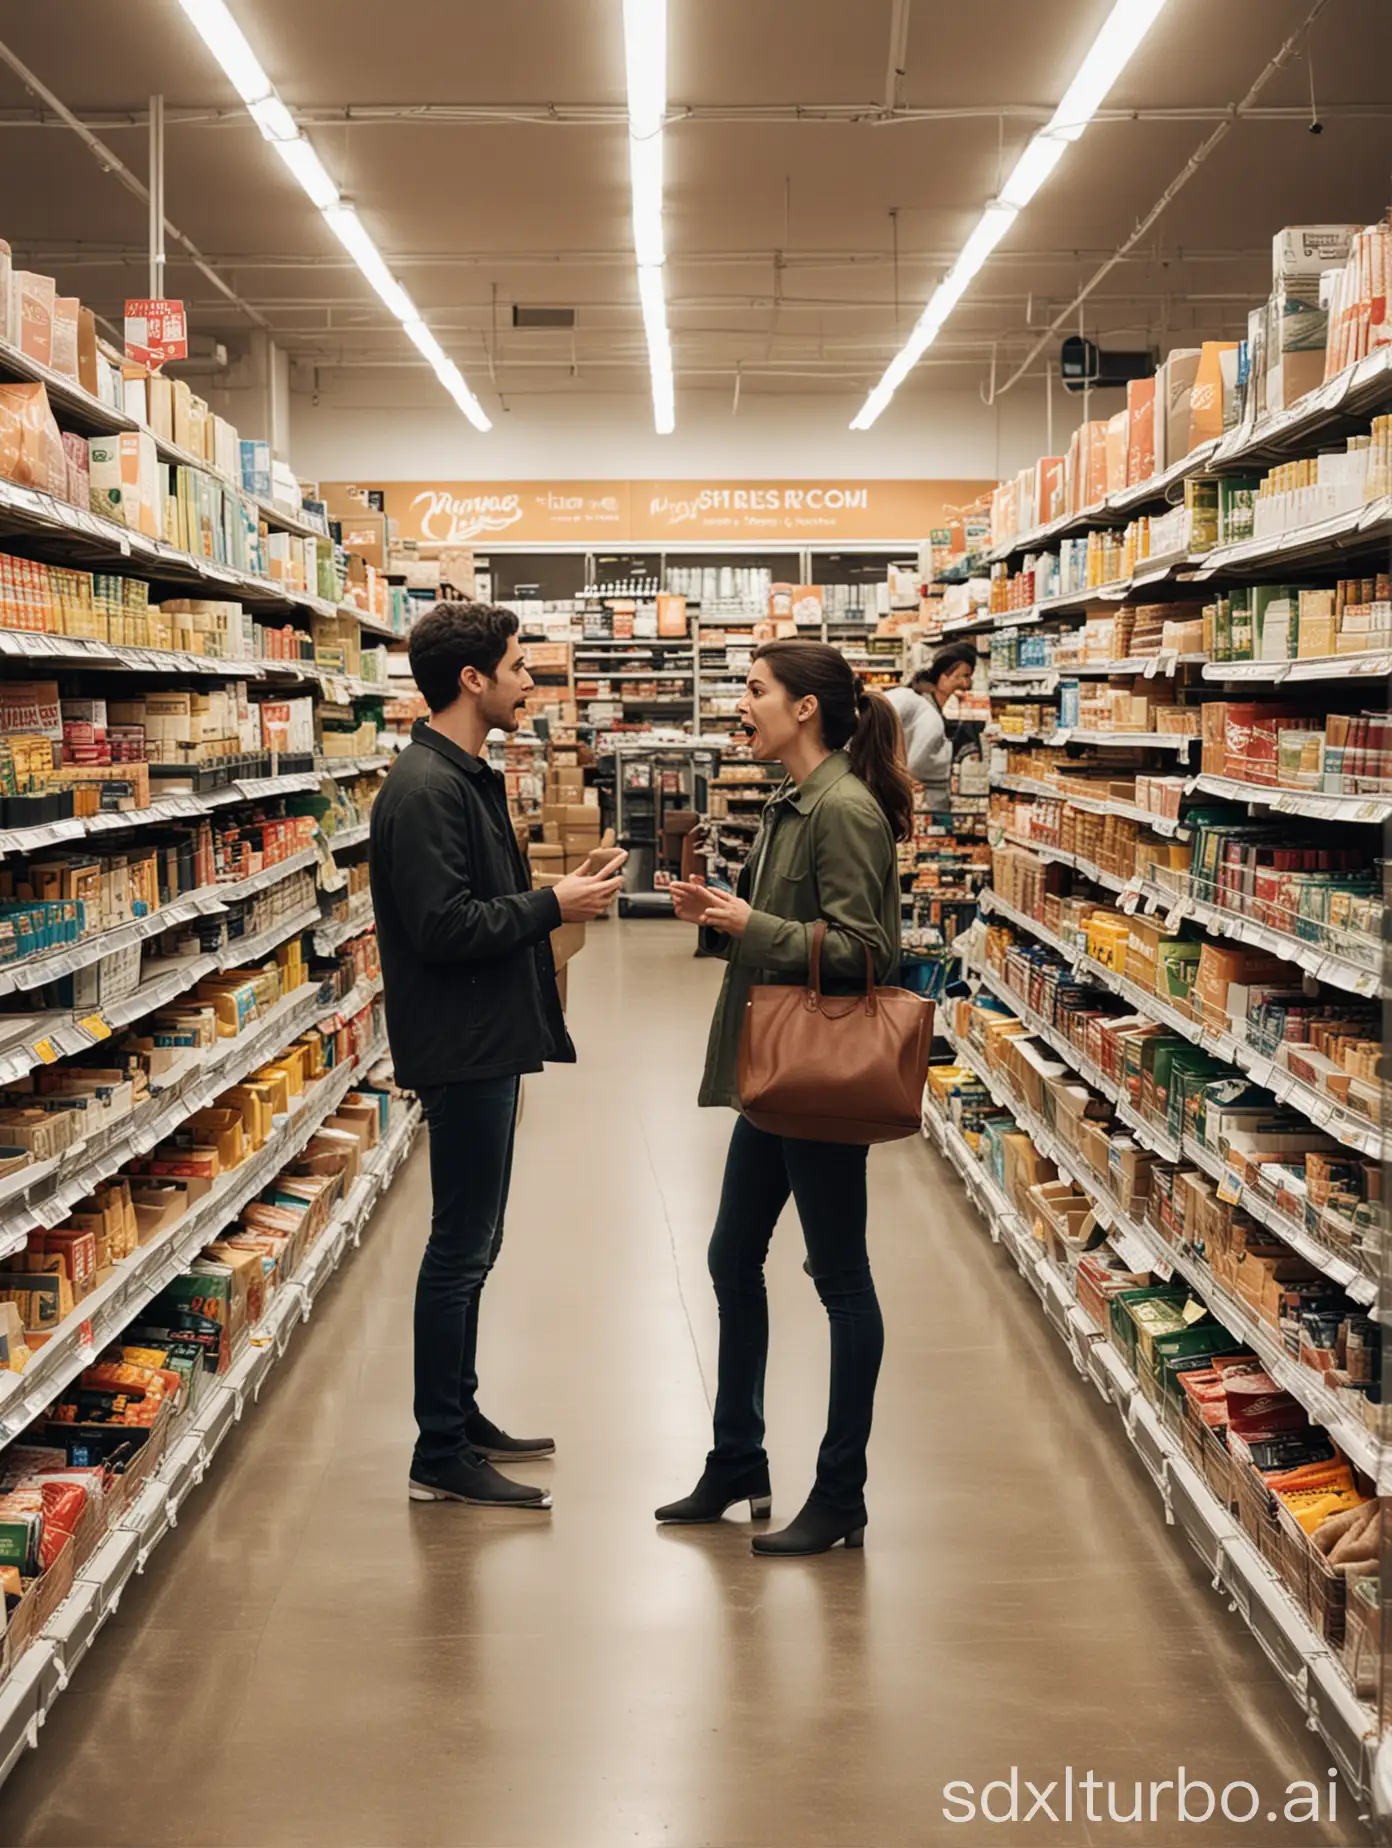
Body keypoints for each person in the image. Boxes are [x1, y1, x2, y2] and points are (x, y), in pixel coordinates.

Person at [369, 601, 625, 1510]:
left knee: (479, 1240)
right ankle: (438, 1451)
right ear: (472, 680)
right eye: (519, 666)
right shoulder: (425, 789)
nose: (530, 682)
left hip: (487, 1035)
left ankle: (460, 1414)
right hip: (463, 1042)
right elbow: (441, 928)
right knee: (459, 1246)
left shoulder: (464, 774)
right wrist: (557, 905)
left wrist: (559, 896)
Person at [658, 641, 911, 1556]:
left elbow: (869, 951)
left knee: (841, 1281)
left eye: (757, 691)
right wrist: (725, 914)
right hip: (773, 1076)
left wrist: (744, 922)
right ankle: (738, 1460)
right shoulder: (791, 803)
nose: (744, 704)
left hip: (820, 1079)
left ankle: (841, 1491)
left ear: (805, 708)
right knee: (733, 1258)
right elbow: (797, 934)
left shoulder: (843, 809)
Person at [883, 643, 978, 808]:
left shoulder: (918, 701)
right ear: (942, 677)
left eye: (969, 677)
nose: (967, 684)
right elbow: (916, 764)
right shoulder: (928, 715)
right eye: (962, 676)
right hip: (921, 802)